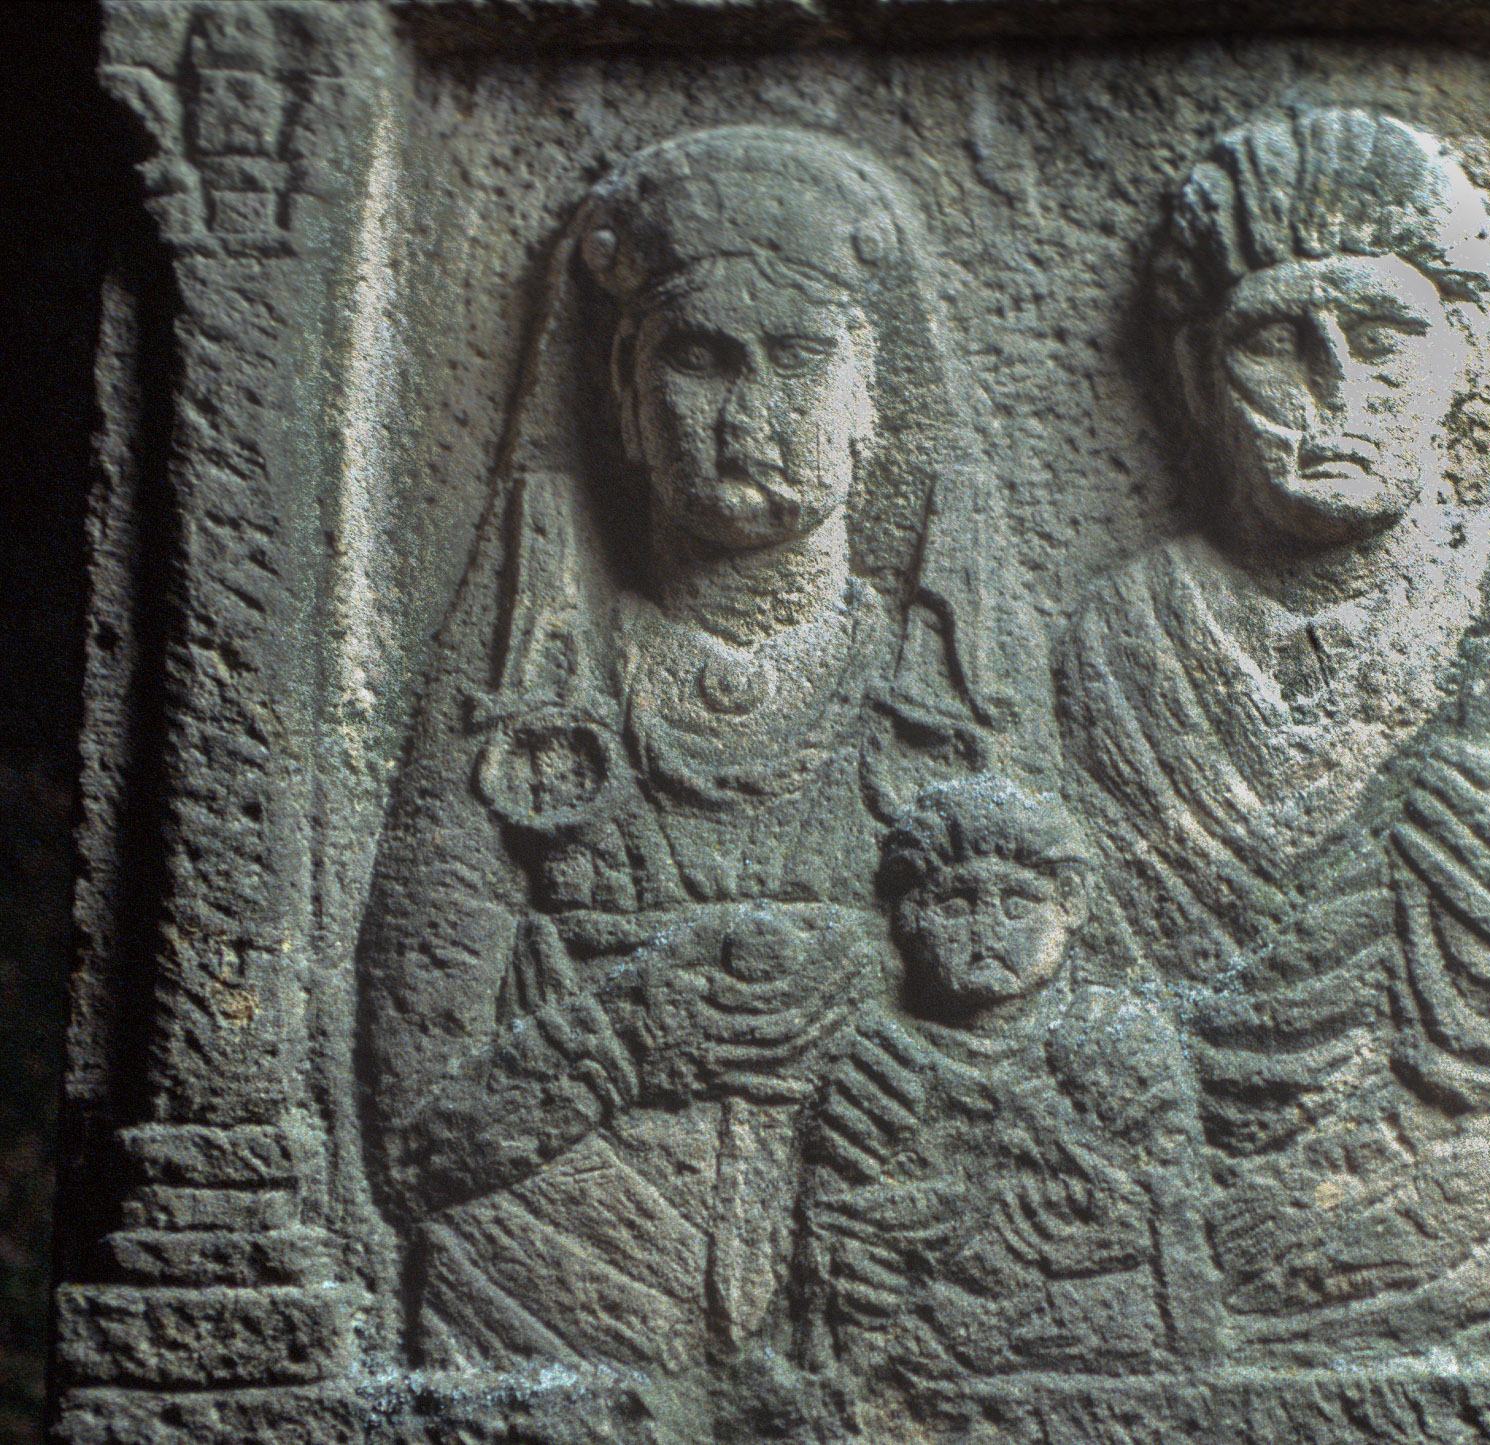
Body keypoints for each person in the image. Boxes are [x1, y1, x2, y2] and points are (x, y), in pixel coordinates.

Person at [358, 127, 1037, 1393]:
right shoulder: (528, 699)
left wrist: (875, 994)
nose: (747, 413)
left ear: (870, 397)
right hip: (546, 1295)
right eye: (698, 358)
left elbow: (1065, 1072)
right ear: (625, 394)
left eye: (799, 358)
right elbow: (411, 1136)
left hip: (896, 1306)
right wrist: (635, 1024)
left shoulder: (943, 700)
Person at [1055, 104, 1490, 1354]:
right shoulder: (1125, 634)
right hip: (1163, 1181)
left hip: (1479, 1176)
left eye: (1383, 338)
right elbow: (1080, 979)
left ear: (1464, 350)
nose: (1331, 390)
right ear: (1193, 373)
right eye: (1273, 341)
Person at [797, 776, 1223, 1424]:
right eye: (955, 903)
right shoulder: (880, 1066)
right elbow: (830, 1252)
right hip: (920, 1368)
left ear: (1070, 907)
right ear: (908, 917)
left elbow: (1175, 1223)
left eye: (1018, 903)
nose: (987, 928)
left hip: (1104, 1357)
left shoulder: (1116, 1041)